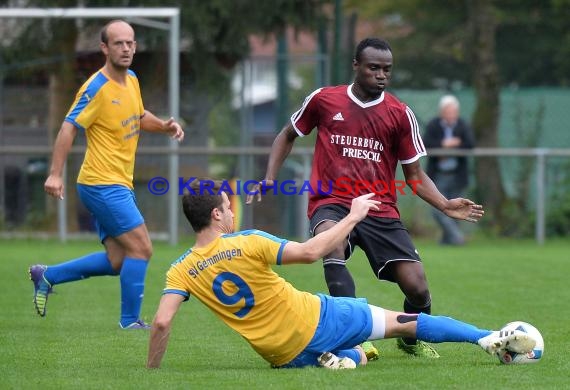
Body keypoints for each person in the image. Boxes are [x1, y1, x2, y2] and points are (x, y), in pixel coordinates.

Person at [246, 37, 484, 359]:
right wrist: (270, 177)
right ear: (356, 66)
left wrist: (444, 204)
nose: (381, 75)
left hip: (379, 207)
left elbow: (413, 176)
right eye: (374, 68)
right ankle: (354, 337)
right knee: (332, 250)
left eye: (387, 69)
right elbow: (286, 135)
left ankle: (409, 340)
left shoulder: (400, 114)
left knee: (417, 287)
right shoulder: (324, 100)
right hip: (331, 202)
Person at [146, 182, 534, 370]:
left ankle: (344, 359)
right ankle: (486, 338)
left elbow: (162, 321)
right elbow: (312, 252)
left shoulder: (180, 268)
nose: (232, 214)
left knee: (359, 355)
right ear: (216, 214)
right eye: (227, 209)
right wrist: (353, 215)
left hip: (283, 356)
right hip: (319, 318)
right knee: (407, 323)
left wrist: (151, 373)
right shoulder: (247, 242)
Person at [28, 20, 184, 329]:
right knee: (142, 247)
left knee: (119, 260)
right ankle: (129, 322)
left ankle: (47, 275)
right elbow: (68, 126)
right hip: (101, 184)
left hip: (117, 183)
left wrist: (164, 127)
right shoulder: (96, 88)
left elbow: (138, 116)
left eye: (130, 43)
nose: (126, 48)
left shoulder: (133, 80)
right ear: (104, 48)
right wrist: (55, 174)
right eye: (118, 43)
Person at [423, 95, 475, 246]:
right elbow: (426, 143)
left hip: (457, 175)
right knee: (438, 208)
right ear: (442, 112)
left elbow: (470, 144)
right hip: (438, 175)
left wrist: (453, 147)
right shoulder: (434, 125)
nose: (452, 114)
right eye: (449, 111)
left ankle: (448, 240)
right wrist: (444, 144)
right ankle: (457, 237)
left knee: (458, 207)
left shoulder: (462, 125)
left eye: (454, 111)